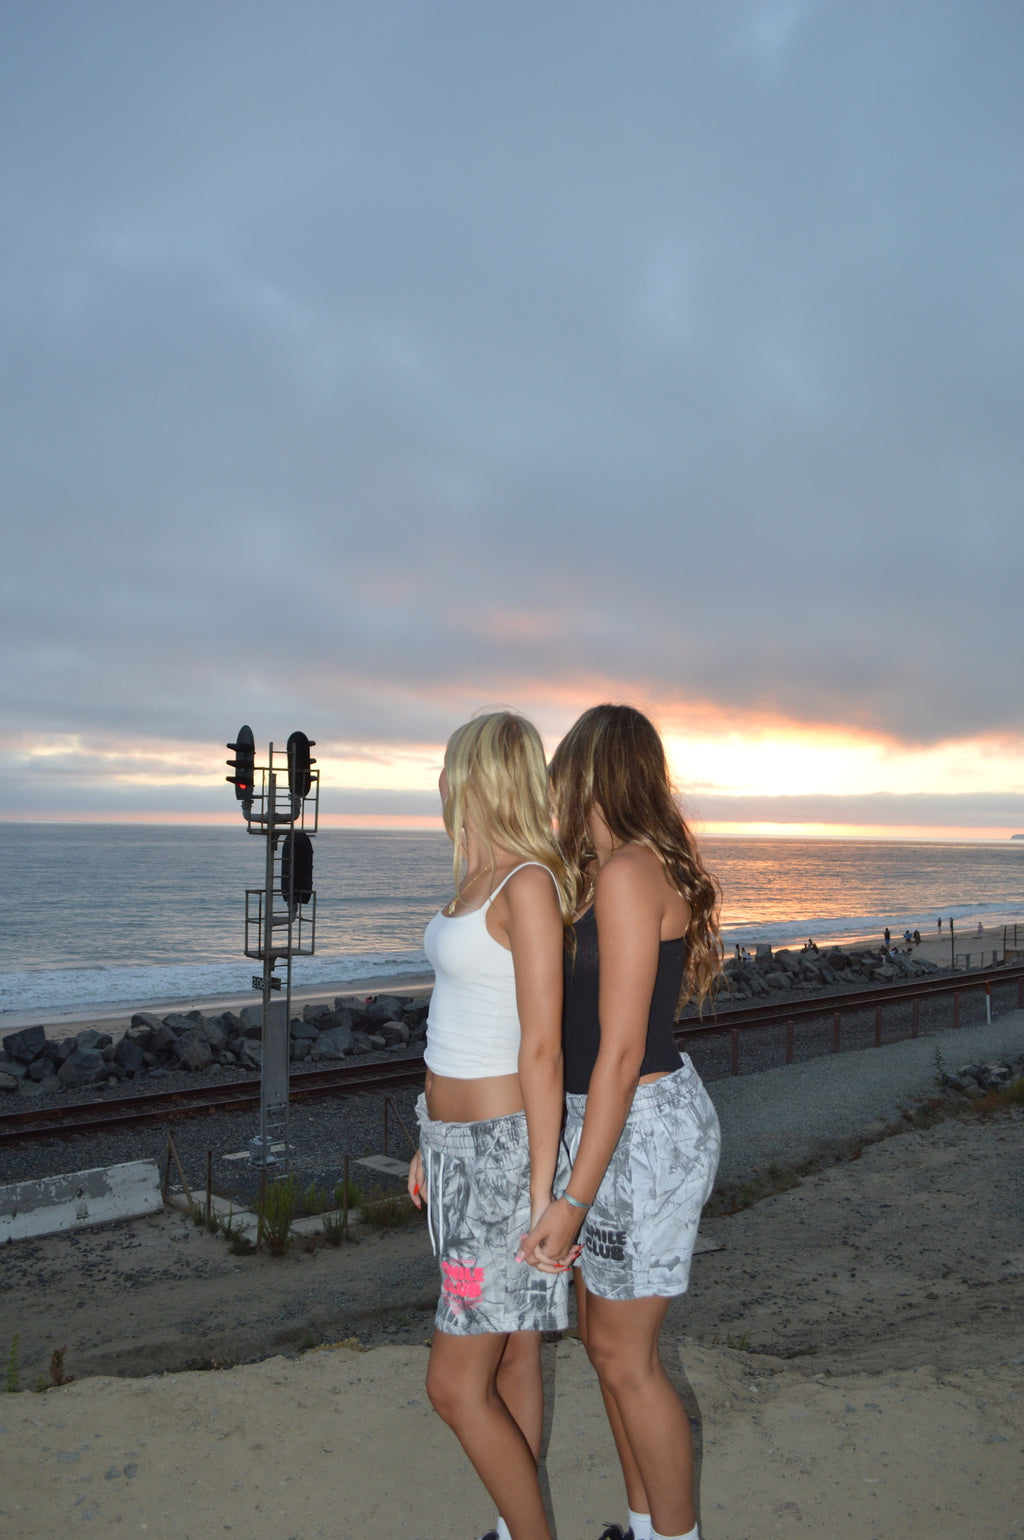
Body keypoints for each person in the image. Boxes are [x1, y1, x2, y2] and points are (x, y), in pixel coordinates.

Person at [521, 704, 722, 1540]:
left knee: (627, 1361)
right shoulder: (611, 871)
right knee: (609, 1354)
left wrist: (570, 1196)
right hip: (610, 1123)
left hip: (638, 1128)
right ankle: (642, 1527)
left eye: (563, 769)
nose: (554, 788)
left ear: (590, 770)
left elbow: (620, 1049)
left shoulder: (632, 873)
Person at [407, 712, 575, 1540]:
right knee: (511, 1350)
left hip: (503, 1166)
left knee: (452, 1384)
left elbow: (542, 1049)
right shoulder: (477, 879)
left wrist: (547, 1199)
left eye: (451, 766)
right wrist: (424, 1139)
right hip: (453, 1156)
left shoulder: (528, 886)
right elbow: (462, 1018)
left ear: (478, 775)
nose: (439, 780)